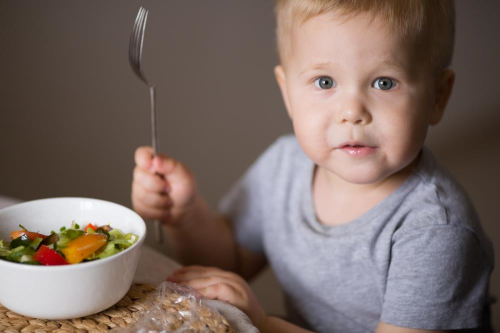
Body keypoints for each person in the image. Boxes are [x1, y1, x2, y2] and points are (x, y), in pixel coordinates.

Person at [131, 0, 495, 332]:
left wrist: (262, 324)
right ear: (287, 92)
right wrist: (185, 214)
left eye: (385, 82)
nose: (352, 111)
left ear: (437, 96)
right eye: (325, 81)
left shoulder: (435, 232)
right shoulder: (284, 167)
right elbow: (229, 262)